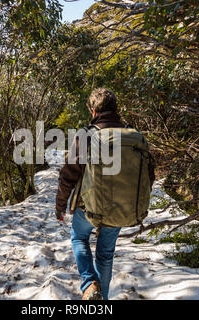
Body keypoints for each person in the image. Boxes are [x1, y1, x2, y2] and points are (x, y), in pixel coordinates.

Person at [56, 88, 154, 300]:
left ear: (92, 111)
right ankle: (102, 301)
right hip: (120, 206)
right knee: (106, 254)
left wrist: (60, 206)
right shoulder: (134, 137)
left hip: (88, 208)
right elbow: (149, 176)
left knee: (79, 237)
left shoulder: (87, 136)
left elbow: (68, 177)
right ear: (116, 109)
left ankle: (89, 283)